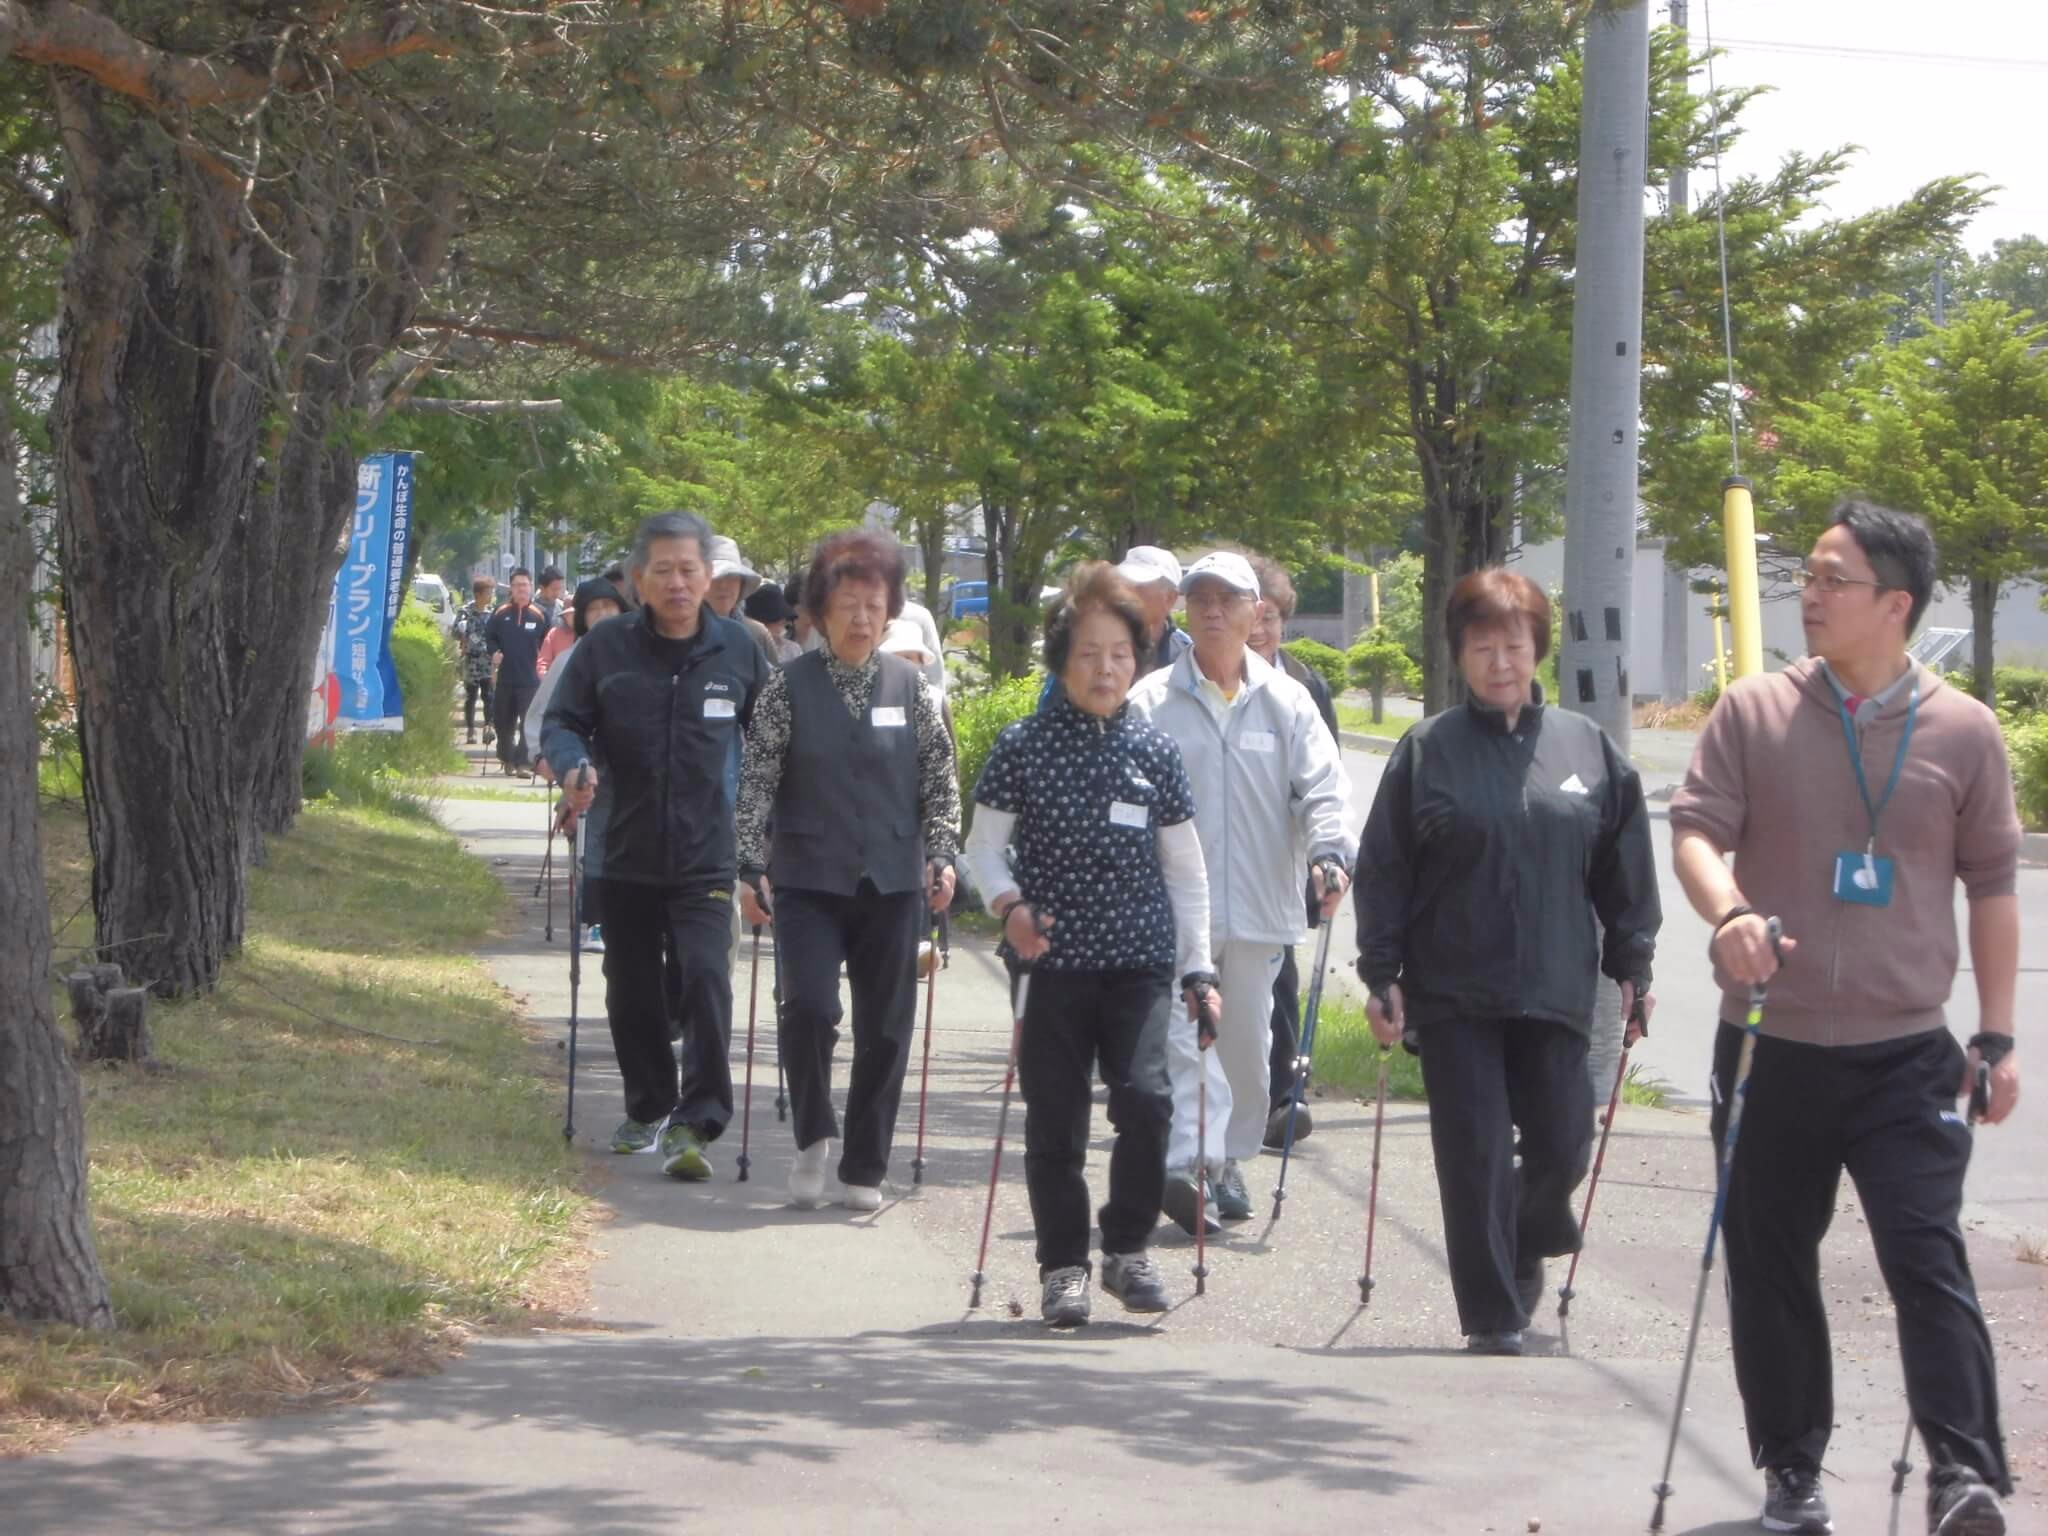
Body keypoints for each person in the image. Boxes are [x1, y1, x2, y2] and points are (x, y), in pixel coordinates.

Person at [1668, 501, 2020, 1536]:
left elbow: (1992, 884)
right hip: (1769, 1046)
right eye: (1806, 576)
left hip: (1906, 1054)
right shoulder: (1753, 711)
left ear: (1895, 604)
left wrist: (1994, 1036)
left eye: (1831, 579)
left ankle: (1962, 1477)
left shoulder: (1961, 729)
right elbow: (1693, 833)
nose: (1807, 596)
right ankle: (1792, 1472)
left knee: (1925, 1258)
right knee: (1768, 1263)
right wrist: (1726, 910)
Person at [1355, 567, 1659, 1358]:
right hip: (1454, 988)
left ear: (1538, 651)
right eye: (1482, 646)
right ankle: (1492, 1314)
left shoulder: (1586, 748)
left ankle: (1527, 1234)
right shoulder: (1427, 751)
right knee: (1477, 1152)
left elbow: (1622, 867)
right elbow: (1385, 868)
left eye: (1514, 645)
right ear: (1459, 654)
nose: (1499, 662)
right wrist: (1381, 972)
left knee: (1563, 1141)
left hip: (1556, 985)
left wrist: (1635, 963)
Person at [965, 562, 1220, 1325]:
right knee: (1056, 1121)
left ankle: (1126, 1248)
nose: (1105, 668)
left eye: (1119, 653)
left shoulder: (1155, 752)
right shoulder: (1024, 746)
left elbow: (1187, 870)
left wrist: (1199, 968)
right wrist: (1009, 907)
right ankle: (1063, 1267)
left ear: (1136, 658)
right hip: (1052, 963)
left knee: (1147, 1100)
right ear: (1061, 660)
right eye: (1088, 654)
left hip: (1139, 961)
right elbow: (983, 848)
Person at [1126, 551, 1355, 1234]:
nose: (1214, 613)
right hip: (1171, 911)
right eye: (1200, 602)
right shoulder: (1149, 700)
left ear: (1258, 613)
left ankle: (1227, 1159)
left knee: (1249, 1059)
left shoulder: (1288, 703)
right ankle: (1183, 1162)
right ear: (1184, 612)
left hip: (1261, 906)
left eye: (1229, 601)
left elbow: (1325, 790)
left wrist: (1328, 854)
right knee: (1178, 1041)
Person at [735, 530, 961, 1212]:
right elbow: (756, 784)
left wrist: (943, 853)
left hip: (892, 879)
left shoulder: (912, 688)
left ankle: (865, 1166)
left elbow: (940, 780)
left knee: (887, 1025)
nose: (862, 618)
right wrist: (749, 867)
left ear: (890, 612)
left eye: (874, 604)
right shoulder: (785, 688)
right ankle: (812, 1137)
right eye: (847, 603)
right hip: (806, 875)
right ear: (818, 611)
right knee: (807, 1007)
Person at [545, 511, 773, 1181]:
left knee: (706, 976)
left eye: (690, 570)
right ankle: (648, 1104)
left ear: (710, 578)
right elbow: (563, 721)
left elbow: (769, 747)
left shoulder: (738, 650)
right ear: (639, 579)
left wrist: (764, 852)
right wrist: (571, 765)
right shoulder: (606, 648)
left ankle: (696, 1122)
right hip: (623, 849)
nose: (678, 583)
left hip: (708, 850)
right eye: (664, 571)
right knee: (633, 990)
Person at [1248, 555, 1342, 1148]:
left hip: (1285, 860)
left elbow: (1328, 780)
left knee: (1280, 977)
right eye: (1248, 616)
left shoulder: (1307, 686)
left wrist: (1327, 854)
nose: (1258, 629)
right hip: (1215, 861)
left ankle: (1285, 1098)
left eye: (1270, 617)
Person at [525, 577, 627, 953]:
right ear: (581, 617)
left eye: (609, 607)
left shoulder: (638, 658)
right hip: (583, 773)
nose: (602, 615)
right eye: (593, 609)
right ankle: (594, 922)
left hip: (631, 775)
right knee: (590, 848)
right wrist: (546, 759)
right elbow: (542, 719)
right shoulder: (568, 661)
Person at [486, 568, 548, 774]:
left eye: (525, 585)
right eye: (517, 585)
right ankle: (507, 758)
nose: (521, 589)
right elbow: (490, 637)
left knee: (527, 723)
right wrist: (494, 651)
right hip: (505, 677)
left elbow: (547, 642)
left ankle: (523, 762)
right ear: (511, 588)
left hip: (530, 679)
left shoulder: (540, 615)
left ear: (531, 587)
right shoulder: (500, 613)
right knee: (503, 722)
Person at [705, 536, 783, 673]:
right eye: (716, 577)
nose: (723, 585)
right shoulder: (680, 631)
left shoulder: (757, 633)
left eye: (731, 577)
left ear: (742, 583)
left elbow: (775, 687)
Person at [1115, 544, 1193, 672]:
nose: (1126, 594)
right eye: (1123, 585)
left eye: (1139, 587)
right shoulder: (1100, 643)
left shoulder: (1187, 658)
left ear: (1170, 598)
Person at [453, 576, 498, 745]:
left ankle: (488, 726)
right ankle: (471, 730)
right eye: (488, 592)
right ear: (478, 594)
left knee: (488, 695)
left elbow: (496, 635)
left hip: (487, 660)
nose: (490, 596)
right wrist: (461, 630)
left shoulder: (492, 613)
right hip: (471, 660)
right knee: (471, 696)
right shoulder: (465, 612)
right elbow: (455, 632)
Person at [744, 582, 803, 663]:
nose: (783, 623)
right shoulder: (743, 650)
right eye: (775, 620)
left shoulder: (792, 650)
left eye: (783, 620)